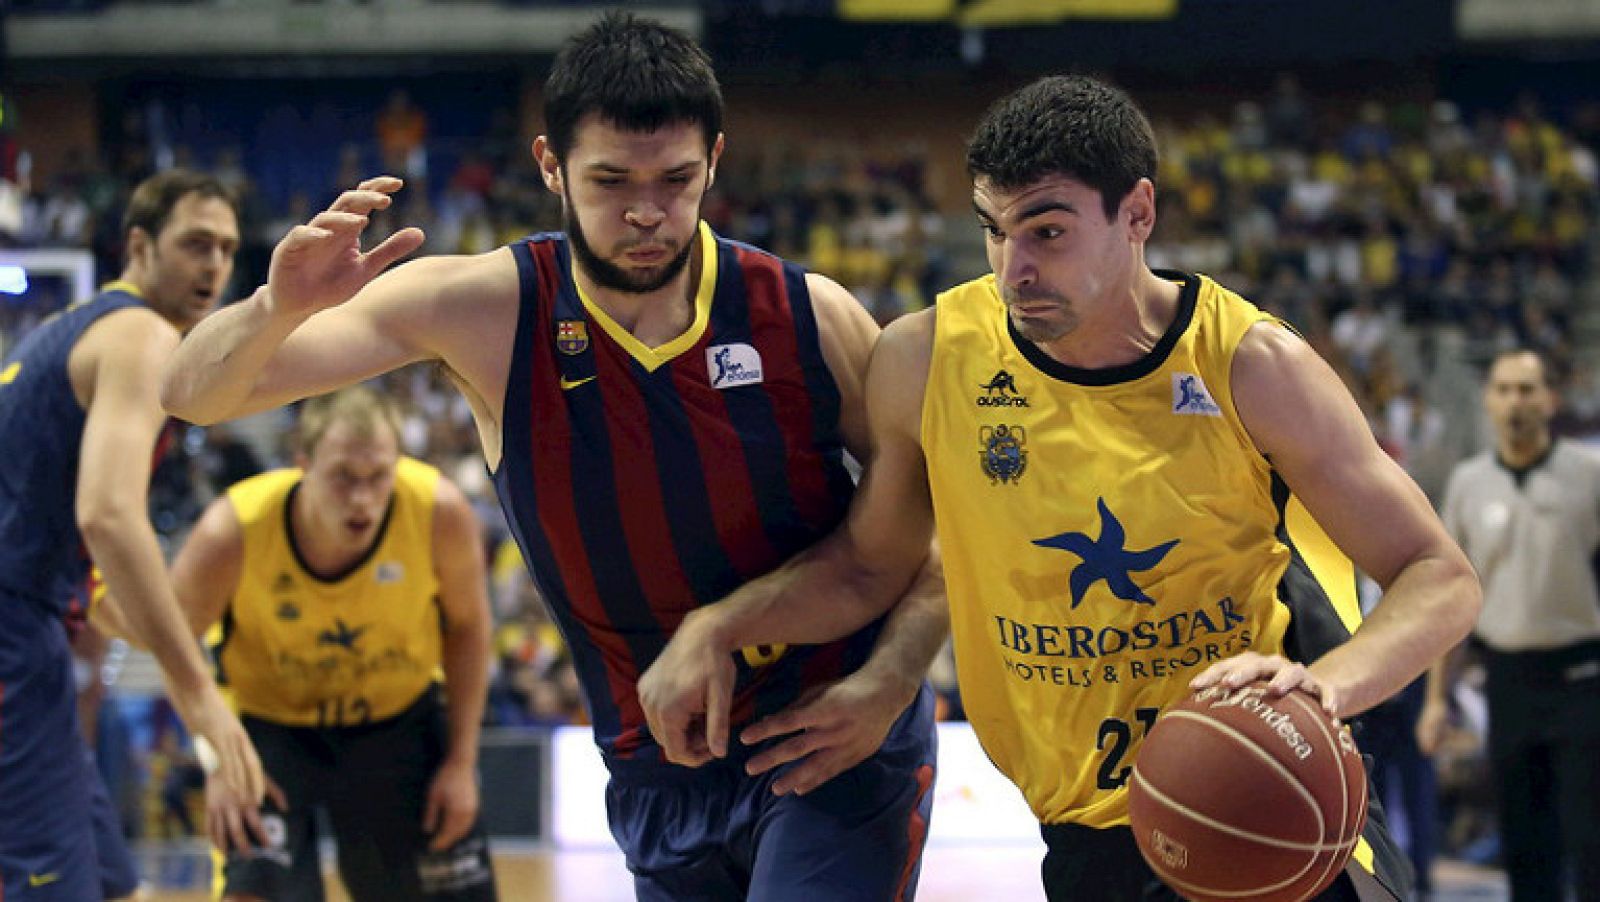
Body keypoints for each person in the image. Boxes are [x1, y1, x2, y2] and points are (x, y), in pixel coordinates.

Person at [637, 75, 1482, 901]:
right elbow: (869, 568)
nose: (1015, 269)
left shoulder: (1252, 365)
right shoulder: (927, 358)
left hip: (1256, 784)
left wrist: (1327, 689)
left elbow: (1439, 575)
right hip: (1084, 829)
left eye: (1046, 232)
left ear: (1137, 214)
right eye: (993, 231)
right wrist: (722, 627)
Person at [160, 14, 946, 900]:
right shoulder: (485, 311)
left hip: (832, 741)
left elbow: (942, 529)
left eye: (676, 180)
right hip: (655, 770)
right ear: (549, 166)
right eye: (610, 181)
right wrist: (274, 308)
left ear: (715, 162)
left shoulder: (811, 316)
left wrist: (890, 685)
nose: (646, 212)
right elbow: (190, 394)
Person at [0, 168, 263, 899]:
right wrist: (197, 692)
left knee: (119, 885)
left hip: (31, 627)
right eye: (196, 244)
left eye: (227, 249)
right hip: (14, 635)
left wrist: (154, 629)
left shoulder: (72, 329)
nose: (214, 265)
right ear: (140, 246)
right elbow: (108, 516)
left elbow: (74, 554)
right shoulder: (141, 335)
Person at [153, 386, 496, 901]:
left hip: (398, 724)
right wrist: (219, 756)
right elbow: (173, 646)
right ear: (303, 463)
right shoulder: (233, 529)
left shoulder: (438, 512)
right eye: (343, 477)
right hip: (269, 731)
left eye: (378, 476)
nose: (362, 498)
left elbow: (469, 628)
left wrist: (462, 763)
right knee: (253, 890)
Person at [1419, 348, 1600, 901]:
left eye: (1526, 389)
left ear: (1551, 399)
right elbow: (1453, 597)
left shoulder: (1589, 475)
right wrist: (1436, 699)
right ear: (1488, 400)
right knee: (1525, 839)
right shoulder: (1468, 482)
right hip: (1508, 678)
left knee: (1590, 836)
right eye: (1503, 390)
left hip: (1582, 676)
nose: (1515, 402)